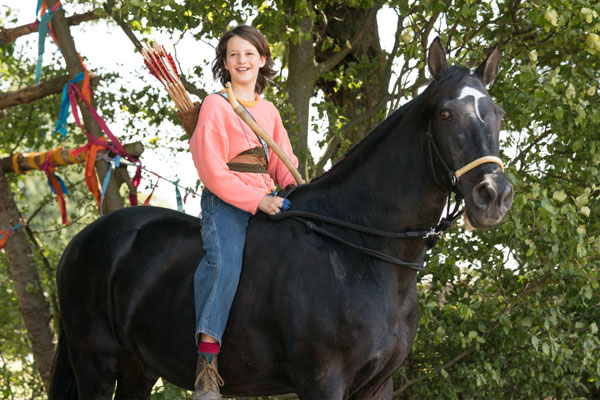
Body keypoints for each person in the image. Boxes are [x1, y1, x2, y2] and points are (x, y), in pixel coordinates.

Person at [188, 25, 299, 400]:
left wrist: (301, 194)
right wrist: (257, 202)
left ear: (262, 59)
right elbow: (212, 170)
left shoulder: (269, 111)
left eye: (250, 54)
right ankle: (206, 365)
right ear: (225, 62)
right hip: (228, 203)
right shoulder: (215, 105)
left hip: (269, 197)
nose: (242, 61)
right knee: (225, 264)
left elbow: (284, 164)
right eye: (234, 55)